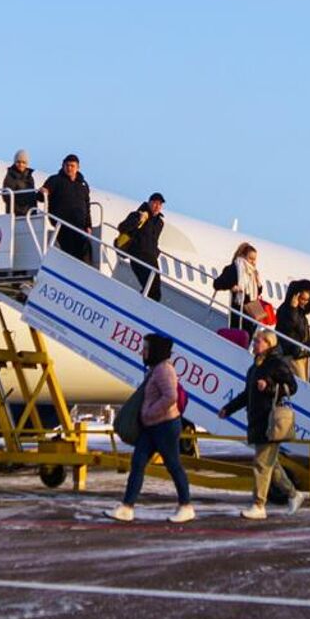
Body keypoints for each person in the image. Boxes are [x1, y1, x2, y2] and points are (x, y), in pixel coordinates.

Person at [107, 333, 195, 523]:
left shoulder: (164, 370)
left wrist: (149, 413)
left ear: (155, 350)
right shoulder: (155, 369)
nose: (142, 352)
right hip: (152, 426)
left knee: (173, 465)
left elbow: (170, 396)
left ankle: (186, 506)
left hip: (165, 425)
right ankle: (126, 507)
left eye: (146, 348)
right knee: (138, 463)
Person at [218, 329, 306, 519]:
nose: (254, 344)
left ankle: (258, 505)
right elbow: (246, 394)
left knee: (261, 464)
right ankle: (294, 494)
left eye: (258, 341)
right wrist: (228, 408)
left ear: (268, 343)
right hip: (257, 419)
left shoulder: (276, 363)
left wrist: (269, 386)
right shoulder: (255, 367)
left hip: (270, 421)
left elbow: (292, 387)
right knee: (270, 466)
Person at [41, 154, 93, 263]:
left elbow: (87, 205)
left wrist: (88, 224)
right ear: (63, 166)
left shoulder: (83, 184)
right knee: (69, 251)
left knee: (85, 249)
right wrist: (43, 192)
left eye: (72, 166)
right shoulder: (55, 180)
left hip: (79, 225)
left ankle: (85, 272)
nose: (69, 168)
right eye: (67, 165)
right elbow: (41, 197)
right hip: (62, 223)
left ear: (78, 167)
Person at [116, 193, 166, 300]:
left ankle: (145, 310)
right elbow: (122, 227)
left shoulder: (160, 223)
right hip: (138, 255)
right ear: (149, 202)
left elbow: (154, 240)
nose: (157, 206)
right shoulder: (137, 214)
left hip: (151, 258)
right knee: (148, 287)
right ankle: (138, 306)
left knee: (156, 292)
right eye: (155, 203)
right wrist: (138, 219)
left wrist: (156, 252)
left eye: (160, 204)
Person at [213, 242, 264, 332]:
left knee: (248, 336)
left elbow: (257, 292)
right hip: (238, 311)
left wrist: (258, 282)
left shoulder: (253, 272)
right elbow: (217, 284)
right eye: (250, 258)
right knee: (239, 334)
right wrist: (232, 287)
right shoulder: (234, 269)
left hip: (250, 312)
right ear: (243, 256)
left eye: (254, 259)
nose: (253, 262)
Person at [276, 279, 310, 382]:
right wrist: (292, 309)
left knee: (305, 382)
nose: (304, 302)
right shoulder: (285, 310)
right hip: (292, 356)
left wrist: (309, 349)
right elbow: (288, 327)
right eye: (302, 298)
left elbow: (304, 335)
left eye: (307, 300)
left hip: (302, 355)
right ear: (295, 295)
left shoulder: (301, 314)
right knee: (300, 383)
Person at [1, 150, 38, 216]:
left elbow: (32, 195)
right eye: (18, 162)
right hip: (16, 214)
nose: (21, 164)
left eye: (23, 162)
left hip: (30, 213)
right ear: (15, 162)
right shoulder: (10, 176)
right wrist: (18, 209)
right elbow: (6, 196)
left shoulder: (30, 177)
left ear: (26, 164)